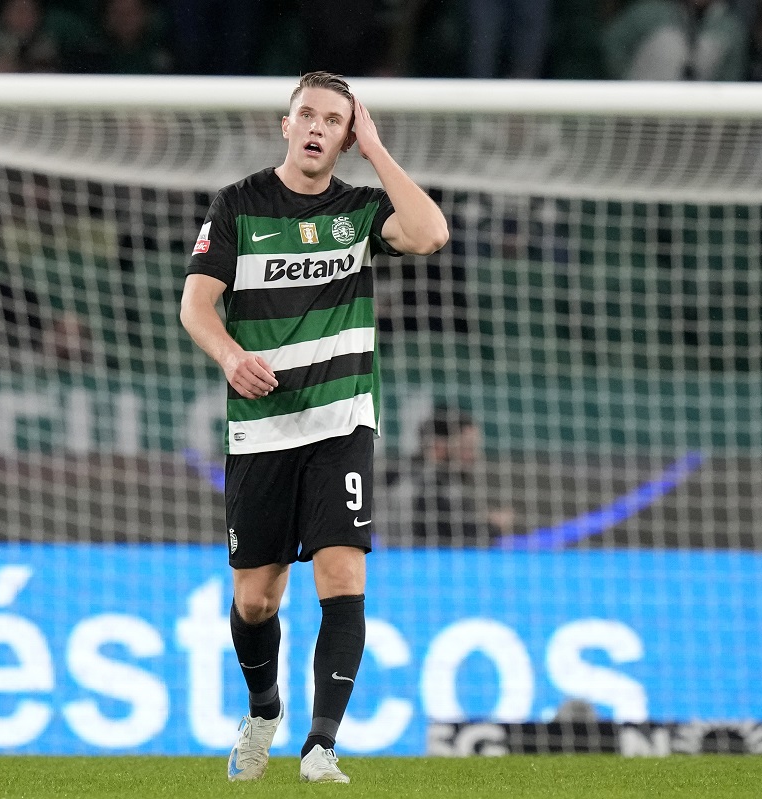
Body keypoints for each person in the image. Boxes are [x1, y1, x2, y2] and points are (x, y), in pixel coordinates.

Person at [180, 72, 448, 783]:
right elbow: (196, 306)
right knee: (255, 597)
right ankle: (263, 709)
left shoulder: (359, 211)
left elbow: (429, 232)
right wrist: (232, 356)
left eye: (334, 119)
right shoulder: (239, 206)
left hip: (341, 423)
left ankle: (321, 743)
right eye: (307, 114)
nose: (317, 127)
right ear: (286, 123)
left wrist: (379, 149)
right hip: (262, 429)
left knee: (342, 573)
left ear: (345, 133)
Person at [402, 408, 515, 546]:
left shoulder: (439, 482)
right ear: (438, 447)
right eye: (468, 447)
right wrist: (494, 525)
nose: (474, 456)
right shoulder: (427, 488)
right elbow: (458, 538)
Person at [602, 0, 748, 81]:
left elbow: (730, 79)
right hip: (637, 108)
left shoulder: (730, 29)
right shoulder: (649, 11)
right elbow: (611, 47)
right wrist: (628, 83)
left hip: (693, 119)